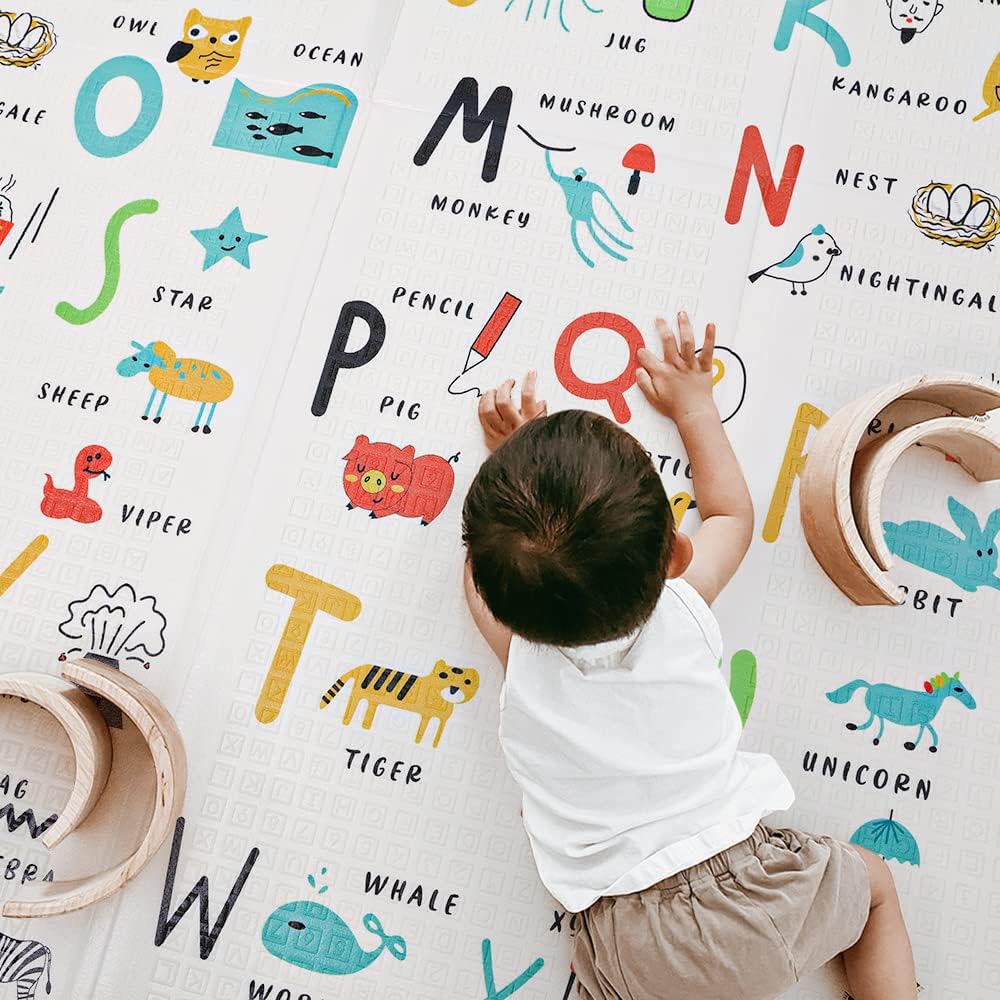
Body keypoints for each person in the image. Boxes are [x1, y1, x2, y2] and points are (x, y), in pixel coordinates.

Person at [461, 312, 917, 1000]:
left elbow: (478, 580)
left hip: (630, 938)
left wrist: (511, 461)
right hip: (755, 891)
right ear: (675, 554)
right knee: (874, 886)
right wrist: (695, 406)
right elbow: (732, 514)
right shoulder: (682, 603)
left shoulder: (521, 656)